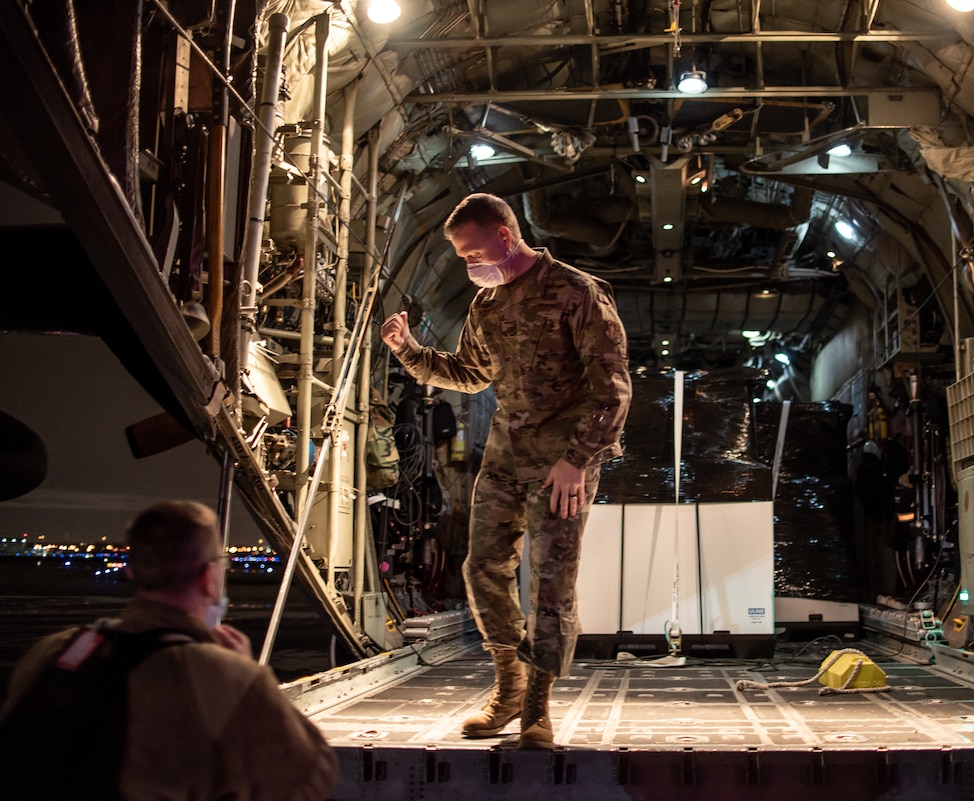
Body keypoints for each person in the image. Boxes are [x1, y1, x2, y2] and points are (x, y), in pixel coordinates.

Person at [381, 192, 631, 749]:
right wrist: (409, 351)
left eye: (472, 252)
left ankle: (538, 707)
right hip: (504, 455)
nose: (469, 265)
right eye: (461, 258)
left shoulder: (577, 291)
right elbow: (470, 374)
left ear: (503, 235)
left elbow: (612, 390)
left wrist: (577, 460)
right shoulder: (488, 305)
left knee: (549, 582)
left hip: (562, 463)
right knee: (483, 569)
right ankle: (509, 687)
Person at [0, 500, 337, 800]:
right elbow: (311, 778)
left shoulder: (54, 652)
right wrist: (247, 673)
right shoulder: (221, 675)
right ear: (208, 578)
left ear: (133, 571)